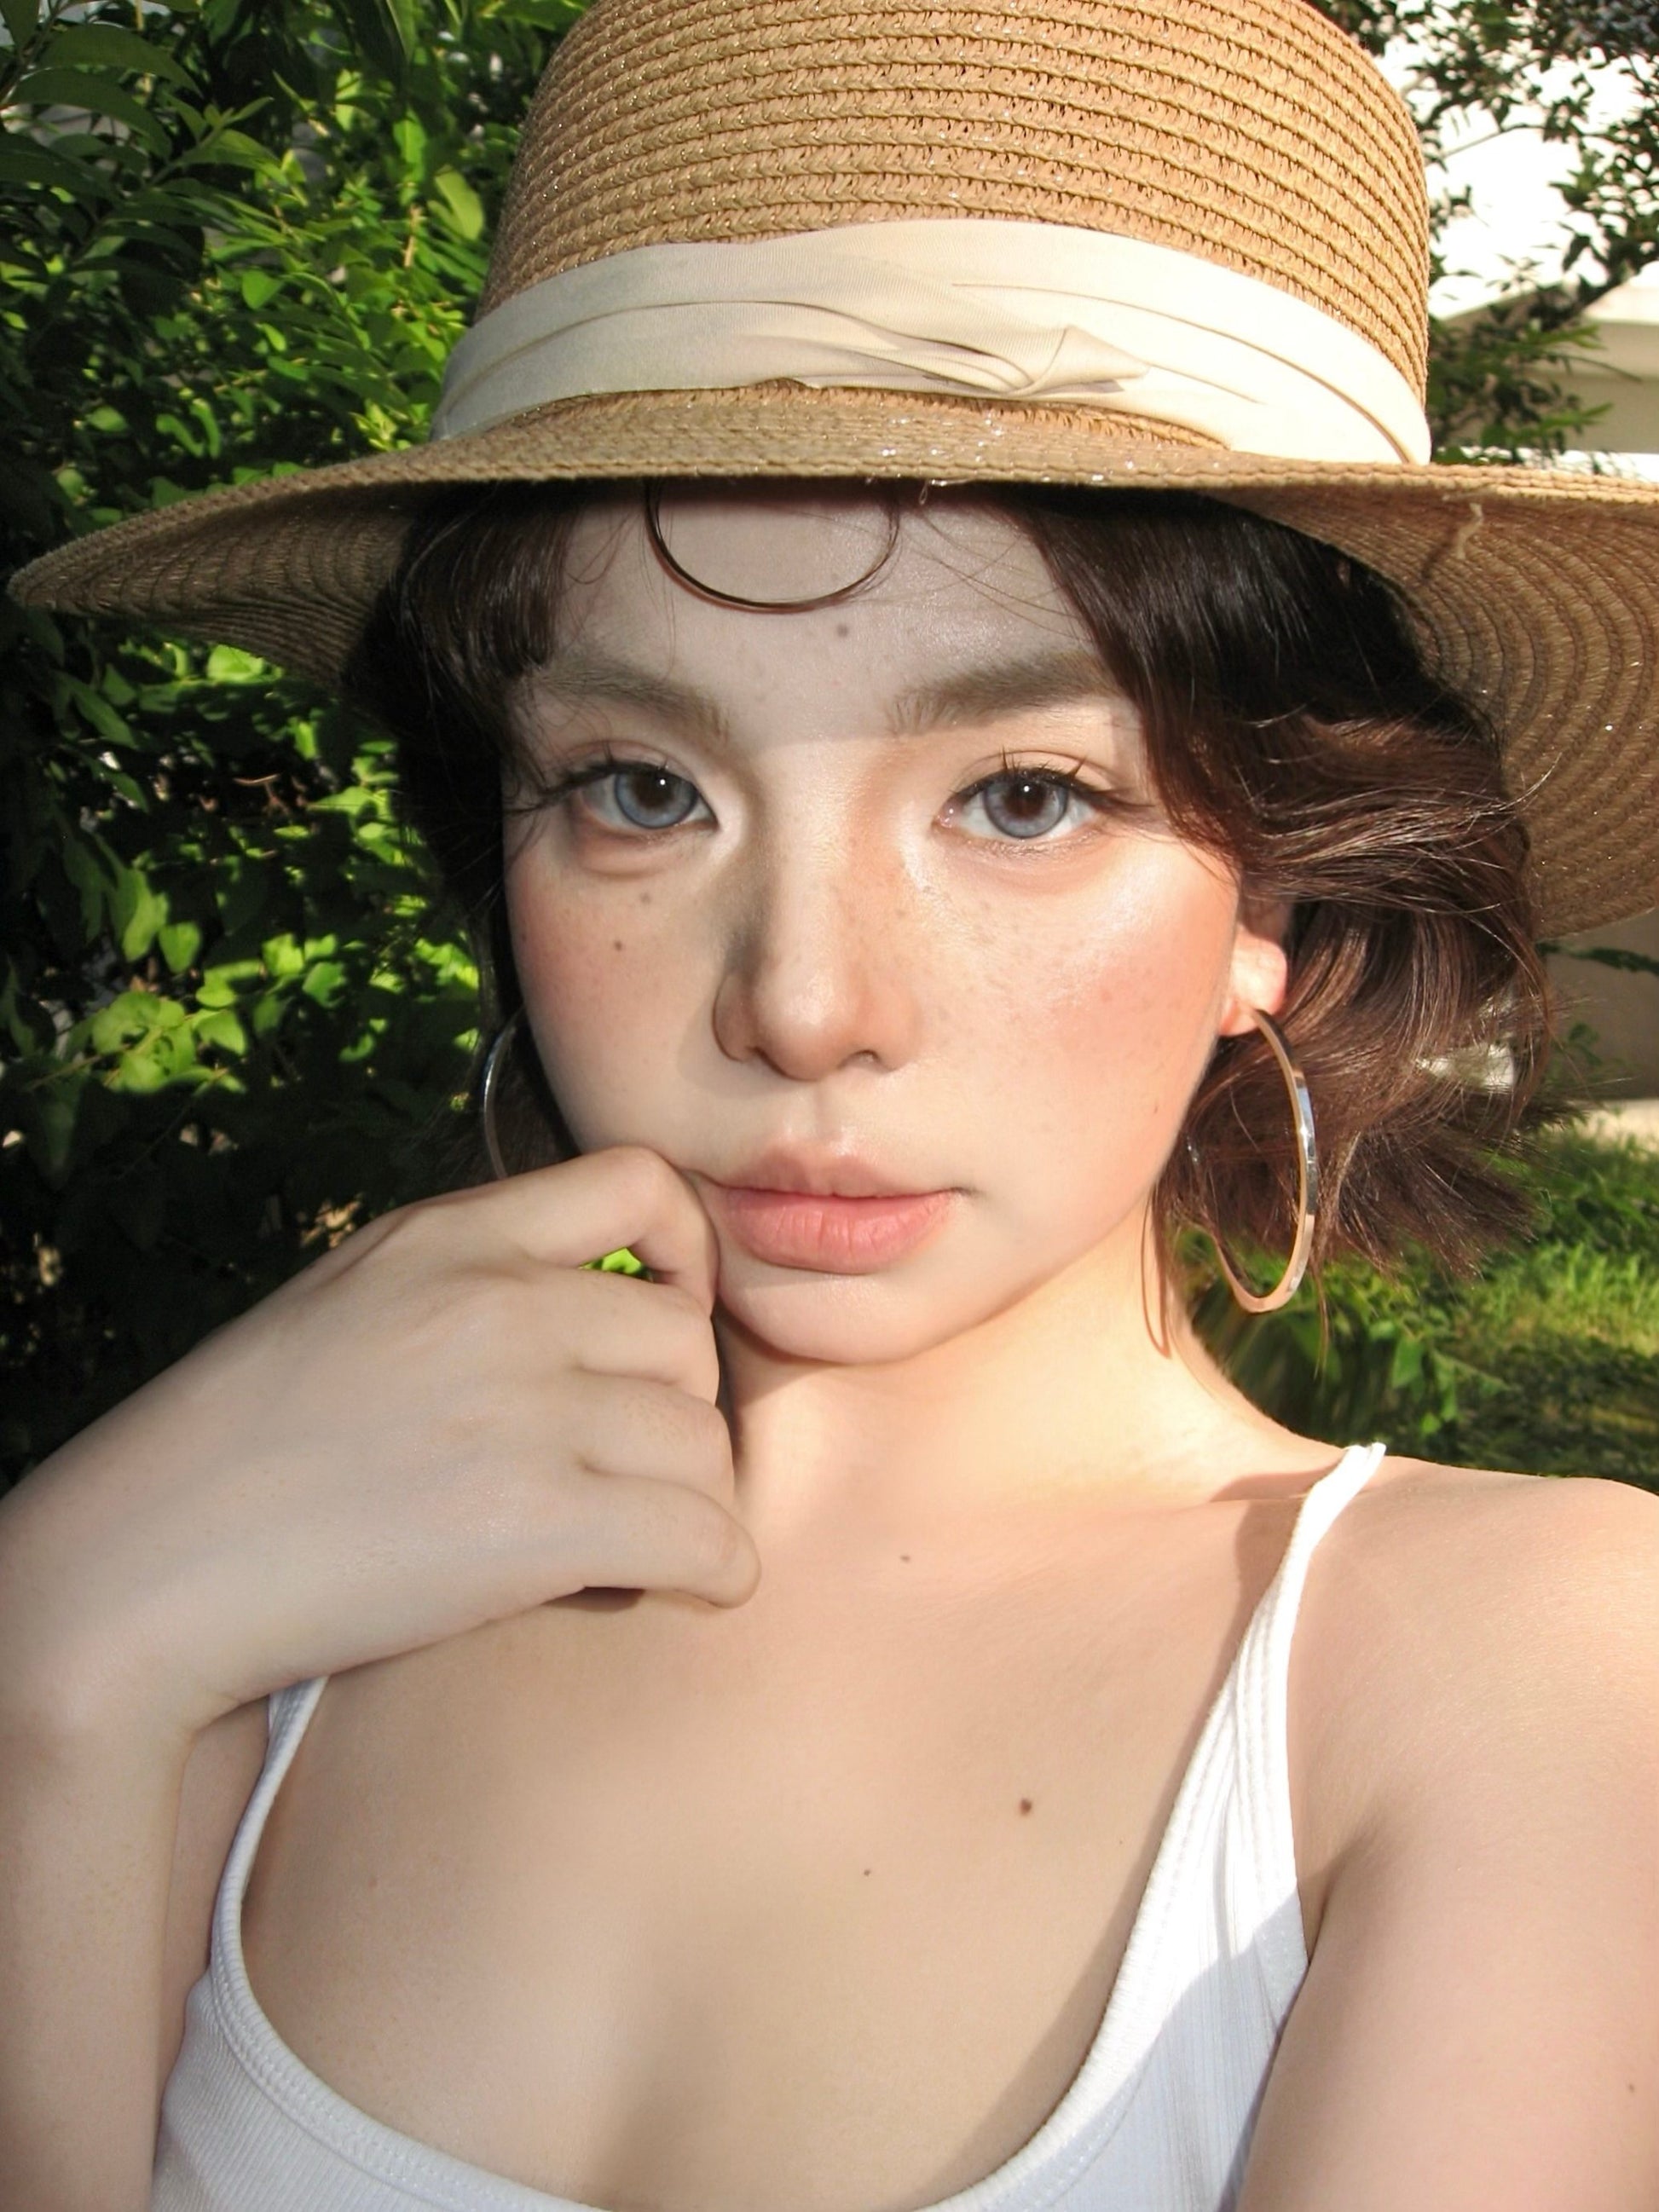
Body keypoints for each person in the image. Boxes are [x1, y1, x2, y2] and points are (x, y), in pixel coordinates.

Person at [3, 2, 1658, 2208]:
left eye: (1022, 794)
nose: (800, 1007)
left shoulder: (1520, 1671)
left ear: (1275, 893)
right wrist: (59, 1654)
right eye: (640, 788)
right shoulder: (243, 1599)